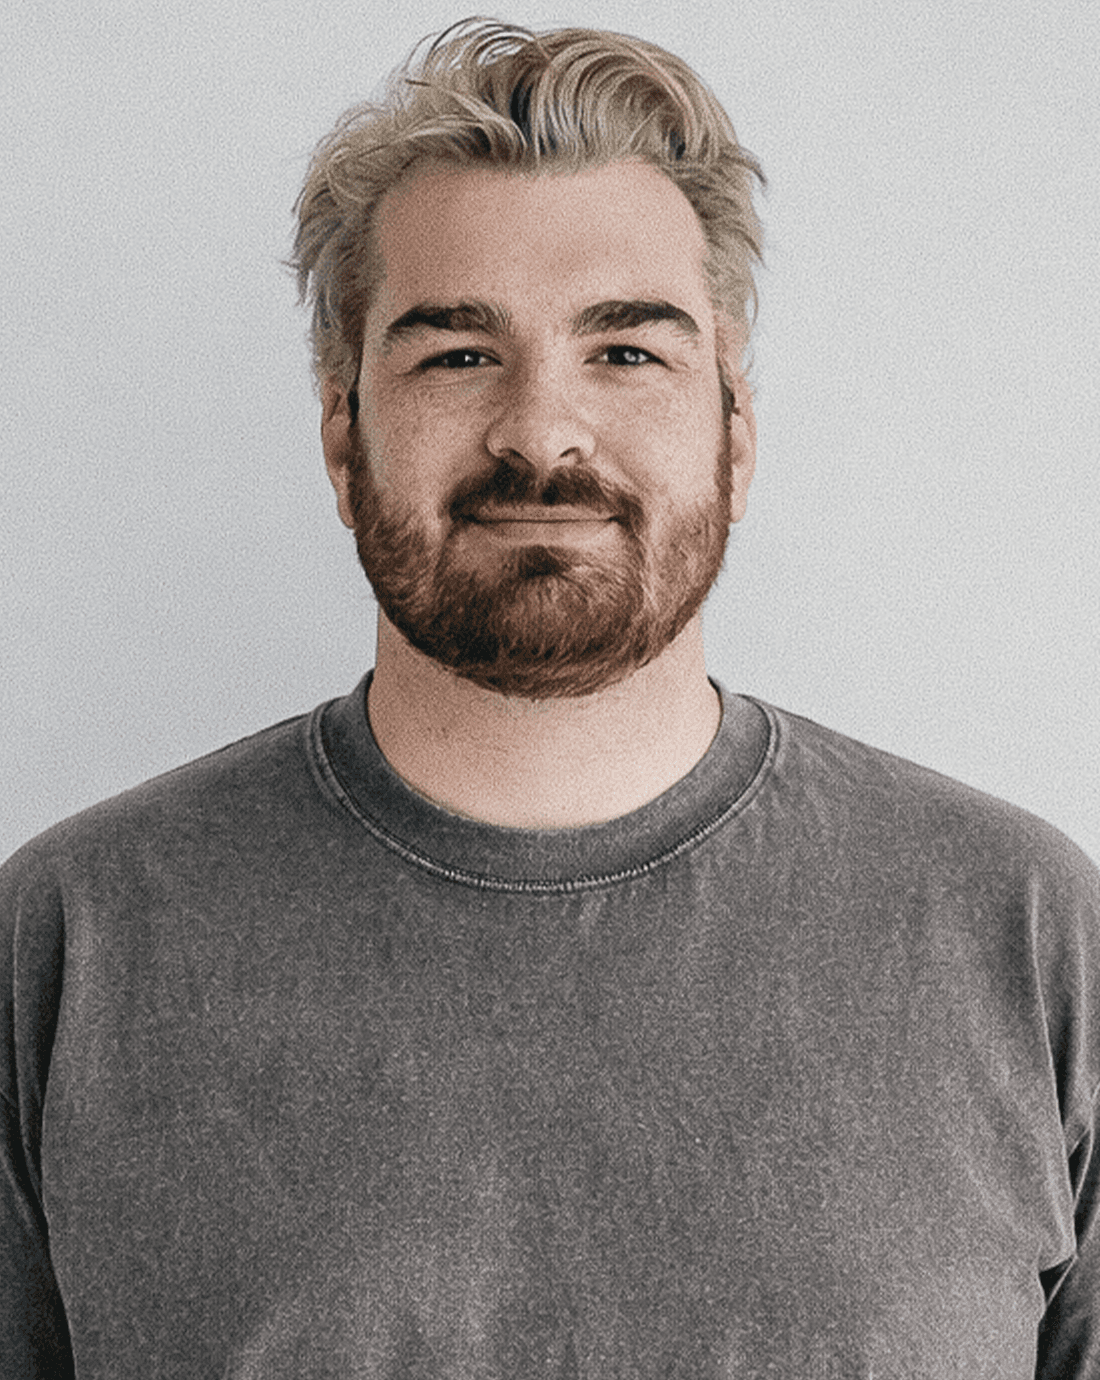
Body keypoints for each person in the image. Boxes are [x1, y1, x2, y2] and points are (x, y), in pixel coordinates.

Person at [2, 17, 1097, 1378]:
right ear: (344, 438)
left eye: (626, 352)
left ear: (736, 435)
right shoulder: (72, 942)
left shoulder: (1025, 931)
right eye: (457, 355)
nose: (541, 431)